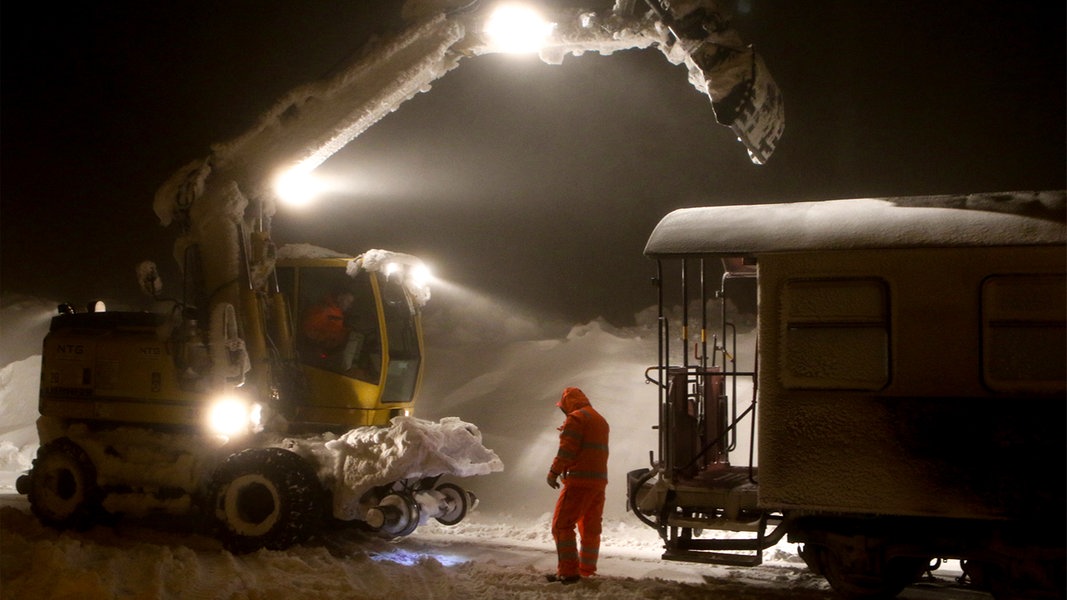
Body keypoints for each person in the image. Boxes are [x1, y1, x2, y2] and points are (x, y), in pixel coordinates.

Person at [545, 386, 610, 584]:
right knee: (590, 527)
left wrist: (553, 472)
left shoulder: (576, 419)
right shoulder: (600, 420)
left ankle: (568, 573)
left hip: (579, 481)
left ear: (568, 404)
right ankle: (587, 569)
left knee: (561, 525)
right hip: (598, 482)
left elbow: (567, 451)